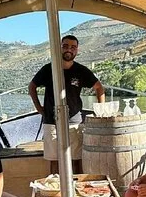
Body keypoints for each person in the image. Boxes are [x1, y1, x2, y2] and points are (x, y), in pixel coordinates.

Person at [28, 34, 105, 174]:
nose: (69, 49)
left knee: (76, 160)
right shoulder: (48, 69)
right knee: (54, 161)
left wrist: (101, 111)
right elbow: (32, 86)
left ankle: (77, 187)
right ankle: (54, 186)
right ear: (60, 48)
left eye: (73, 47)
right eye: (65, 46)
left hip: (74, 122)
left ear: (77, 50)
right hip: (51, 121)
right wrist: (39, 108)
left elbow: (99, 88)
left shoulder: (81, 71)